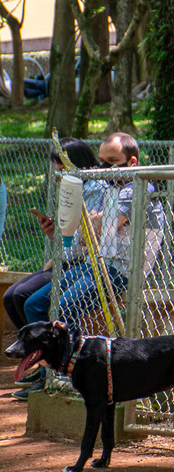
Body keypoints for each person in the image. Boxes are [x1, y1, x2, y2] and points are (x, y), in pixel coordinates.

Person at [22, 132, 165, 341]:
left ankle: (69, 367)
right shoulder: (110, 187)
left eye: (113, 162)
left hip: (121, 269)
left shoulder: (139, 187)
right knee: (33, 304)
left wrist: (95, 219)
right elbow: (84, 236)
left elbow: (100, 226)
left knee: (64, 307)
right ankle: (47, 369)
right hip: (94, 264)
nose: (106, 168)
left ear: (132, 162)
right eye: (103, 162)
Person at [7, 139, 106, 400]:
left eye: (62, 168)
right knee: (12, 297)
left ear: (77, 165)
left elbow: (85, 241)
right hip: (66, 260)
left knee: (30, 303)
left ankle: (47, 369)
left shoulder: (96, 189)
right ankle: (37, 360)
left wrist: (64, 238)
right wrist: (53, 234)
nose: (59, 175)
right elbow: (69, 240)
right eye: (56, 169)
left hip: (83, 263)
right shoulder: (71, 187)